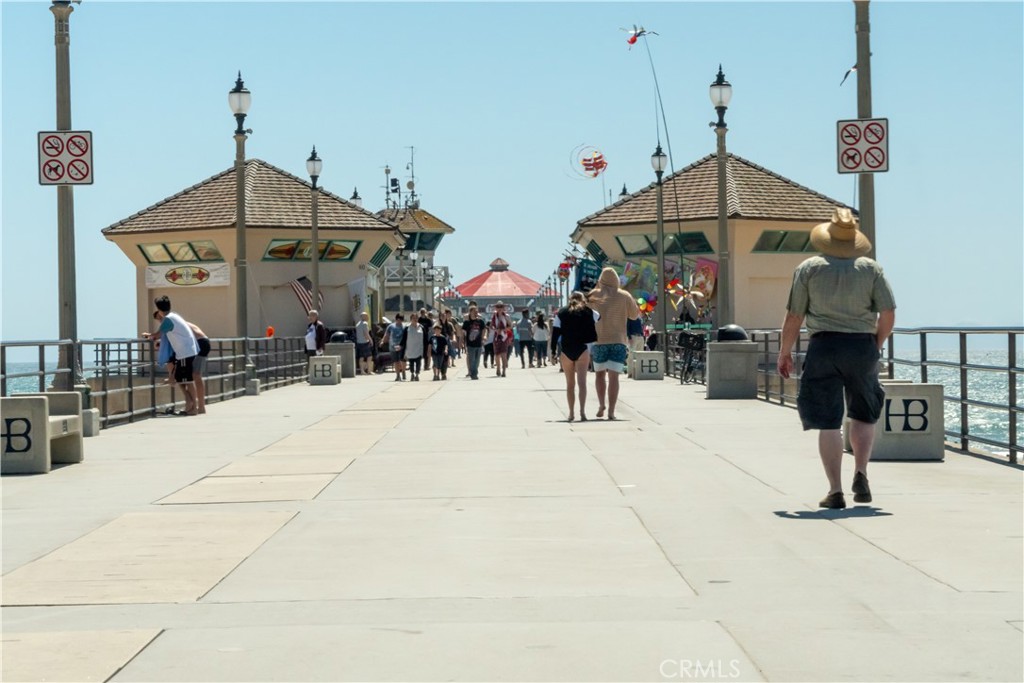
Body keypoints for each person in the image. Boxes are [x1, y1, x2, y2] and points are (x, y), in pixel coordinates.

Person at [777, 208, 896, 510]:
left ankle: (835, 490)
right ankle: (861, 472)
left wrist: (784, 351)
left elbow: (794, 316)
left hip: (824, 346)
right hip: (861, 346)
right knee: (863, 414)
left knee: (828, 421)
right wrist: (876, 344)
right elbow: (888, 313)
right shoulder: (871, 269)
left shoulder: (809, 268)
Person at [587, 267, 641, 420]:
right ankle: (611, 411)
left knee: (599, 375)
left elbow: (585, 315)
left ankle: (601, 405)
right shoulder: (624, 295)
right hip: (619, 341)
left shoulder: (593, 295)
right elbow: (634, 315)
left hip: (599, 341)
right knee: (614, 378)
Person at [144, 295, 200, 416]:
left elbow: (157, 335)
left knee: (187, 380)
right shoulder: (174, 316)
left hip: (185, 352)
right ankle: (191, 406)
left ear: (159, 309)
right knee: (183, 379)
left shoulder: (168, 320)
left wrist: (148, 336)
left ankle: (193, 407)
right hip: (187, 351)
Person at [550, 291, 598, 422]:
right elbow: (598, 317)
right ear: (582, 300)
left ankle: (571, 413)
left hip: (566, 350)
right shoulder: (587, 311)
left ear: (570, 299)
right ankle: (582, 412)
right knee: (582, 383)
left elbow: (555, 333)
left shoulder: (561, 313)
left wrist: (553, 352)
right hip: (582, 348)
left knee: (570, 384)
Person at [401, 314, 428, 381]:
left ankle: (417, 374)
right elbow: (404, 339)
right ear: (411, 319)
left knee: (418, 363)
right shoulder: (407, 328)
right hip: (410, 348)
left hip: (419, 348)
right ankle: (412, 373)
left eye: (416, 318)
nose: (415, 319)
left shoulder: (421, 327)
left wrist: (426, 348)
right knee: (411, 363)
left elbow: (425, 339)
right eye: (413, 318)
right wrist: (401, 346)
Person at [461, 305, 486, 380]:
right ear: (470, 312)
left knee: (477, 360)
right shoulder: (467, 322)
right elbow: (463, 332)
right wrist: (462, 341)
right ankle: (474, 373)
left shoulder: (480, 321)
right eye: (474, 311)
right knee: (471, 360)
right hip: (470, 344)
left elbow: (484, 329)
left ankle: (474, 371)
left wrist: (483, 337)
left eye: (476, 311)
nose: (476, 312)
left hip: (478, 344)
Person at [490, 301, 512, 377]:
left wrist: (504, 329)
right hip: (496, 337)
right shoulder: (494, 316)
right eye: (498, 307)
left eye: (501, 307)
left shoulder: (506, 316)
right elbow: (491, 326)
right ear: (496, 308)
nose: (499, 308)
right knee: (497, 355)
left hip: (504, 337)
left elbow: (510, 326)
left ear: (503, 308)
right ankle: (498, 369)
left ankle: (504, 371)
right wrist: (495, 329)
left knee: (504, 354)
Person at [386, 314, 407, 381]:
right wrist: (383, 341)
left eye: (400, 319)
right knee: (396, 361)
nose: (399, 321)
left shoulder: (405, 327)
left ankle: (403, 371)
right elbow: (387, 334)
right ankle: (398, 375)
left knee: (402, 360)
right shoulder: (391, 326)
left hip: (402, 346)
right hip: (393, 346)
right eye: (397, 319)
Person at [354, 311, 374, 375]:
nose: (367, 317)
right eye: (366, 316)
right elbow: (366, 334)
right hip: (365, 342)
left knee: (361, 357)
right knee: (369, 356)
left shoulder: (357, 324)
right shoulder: (365, 323)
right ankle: (369, 370)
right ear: (363, 317)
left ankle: (362, 371)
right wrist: (370, 340)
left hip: (359, 342)